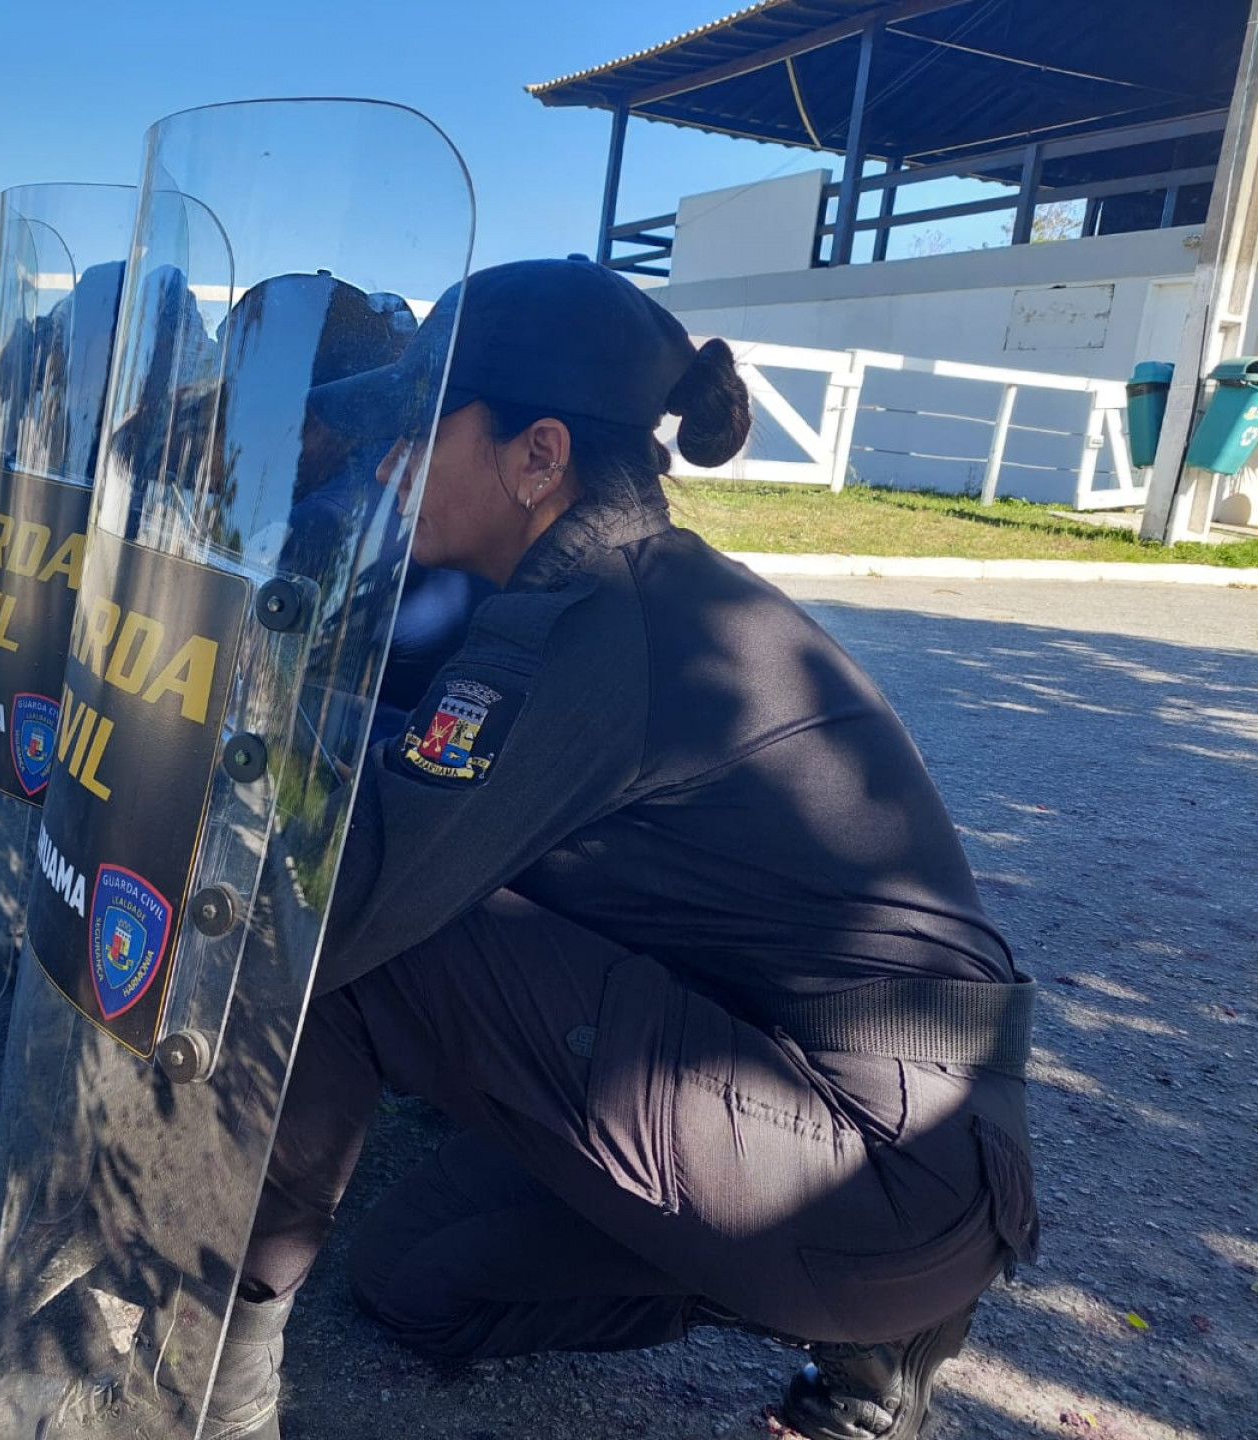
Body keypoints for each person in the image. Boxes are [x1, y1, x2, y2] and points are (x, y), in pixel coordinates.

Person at [187, 257, 1040, 1440]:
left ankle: (201, 1391)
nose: (387, 466)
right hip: (851, 1114)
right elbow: (418, 762)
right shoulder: (622, 590)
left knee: (351, 926)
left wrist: (206, 751)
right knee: (415, 1280)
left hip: (882, 1154)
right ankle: (835, 1306)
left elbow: (363, 880)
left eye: (423, 434)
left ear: (540, 457)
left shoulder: (597, 626)